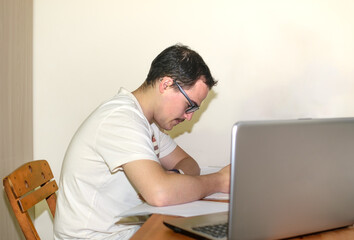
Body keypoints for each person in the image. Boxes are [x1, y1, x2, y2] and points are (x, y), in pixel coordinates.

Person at [54, 44, 230, 240]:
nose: (189, 117)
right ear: (166, 84)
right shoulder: (120, 120)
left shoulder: (147, 123)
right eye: (190, 106)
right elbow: (160, 193)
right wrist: (220, 181)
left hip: (127, 232)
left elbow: (188, 164)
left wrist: (172, 179)